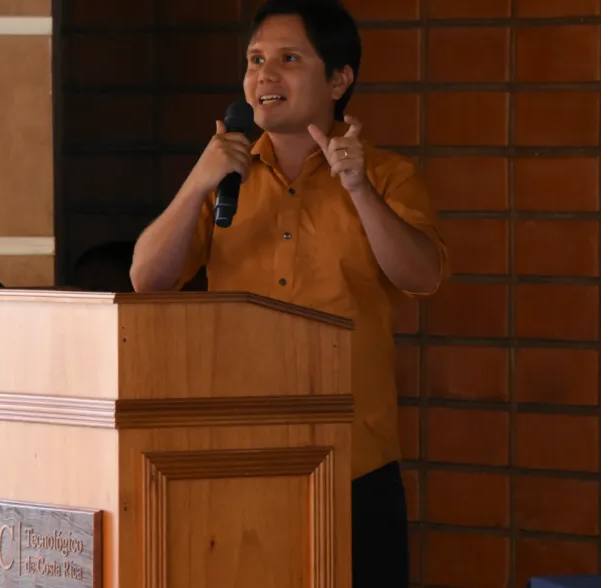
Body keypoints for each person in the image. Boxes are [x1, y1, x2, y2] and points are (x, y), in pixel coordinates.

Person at [130, 0, 448, 584]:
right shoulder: (226, 172)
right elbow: (146, 279)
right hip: (240, 453)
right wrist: (197, 183)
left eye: (289, 59)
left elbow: (421, 276)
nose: (264, 76)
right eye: (255, 60)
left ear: (339, 79)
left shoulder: (385, 175)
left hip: (357, 459)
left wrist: (358, 190)